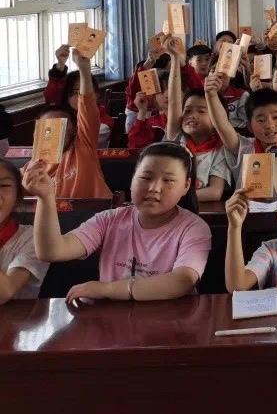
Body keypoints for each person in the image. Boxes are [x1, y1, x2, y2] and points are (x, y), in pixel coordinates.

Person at [22, 142, 211, 302]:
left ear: (186, 186)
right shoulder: (110, 219)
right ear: (132, 179)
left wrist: (107, 289)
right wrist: (45, 198)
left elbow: (182, 281)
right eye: (146, 178)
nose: (154, 188)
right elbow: (52, 251)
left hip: (172, 322)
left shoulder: (193, 228)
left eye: (168, 180)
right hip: (113, 320)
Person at [204, 73, 277, 202]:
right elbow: (222, 125)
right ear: (250, 126)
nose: (270, 125)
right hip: (243, 212)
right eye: (261, 120)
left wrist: (275, 153)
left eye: (276, 117)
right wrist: (211, 95)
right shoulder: (243, 147)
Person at [39, 48, 110, 199]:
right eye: (49, 127)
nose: (55, 130)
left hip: (90, 209)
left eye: (62, 125)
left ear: (73, 129)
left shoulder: (83, 143)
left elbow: (87, 107)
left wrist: (84, 70)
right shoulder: (35, 165)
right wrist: (60, 66)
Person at [164, 38, 229, 202]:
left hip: (194, 209)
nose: (191, 115)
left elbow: (215, 192)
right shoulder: (178, 139)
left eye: (201, 111)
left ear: (216, 118)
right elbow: (173, 101)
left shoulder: (220, 150)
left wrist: (173, 196)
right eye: (187, 111)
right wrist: (174, 57)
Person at [0, 158, 48, 303]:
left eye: (3, 185)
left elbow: (4, 293)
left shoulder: (33, 239)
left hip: (16, 316)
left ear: (17, 197)